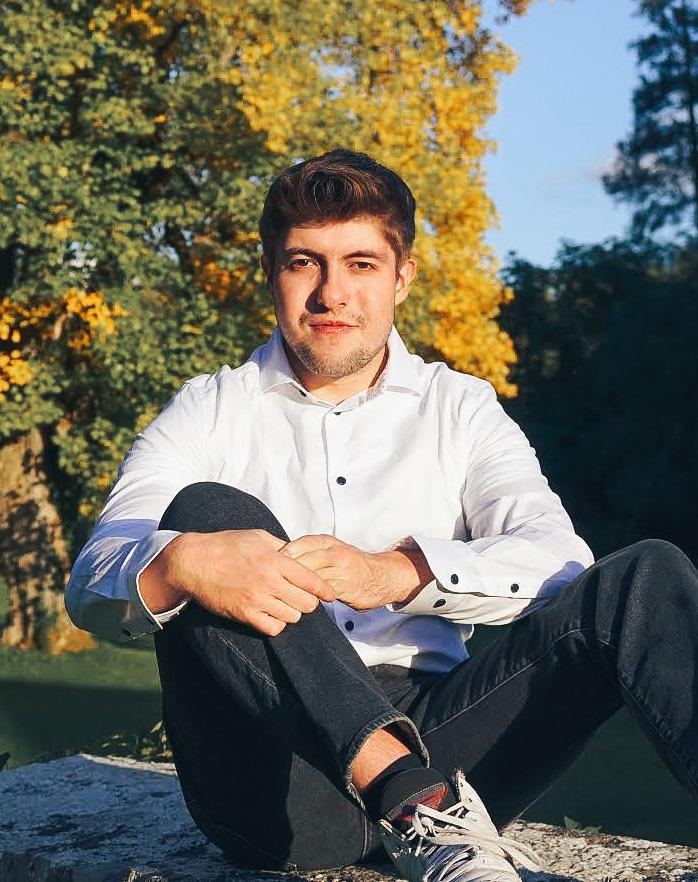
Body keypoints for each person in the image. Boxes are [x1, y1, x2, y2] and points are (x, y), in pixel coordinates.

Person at [66, 149, 698, 882]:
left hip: (452, 745)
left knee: (646, 574)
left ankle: (425, 803)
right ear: (269, 269)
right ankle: (406, 798)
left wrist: (399, 572)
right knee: (206, 518)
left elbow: (558, 561)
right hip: (279, 782)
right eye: (306, 262)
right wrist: (177, 564)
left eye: (361, 264)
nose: (332, 293)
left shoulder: (461, 407)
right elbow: (91, 579)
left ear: (403, 277)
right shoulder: (210, 409)